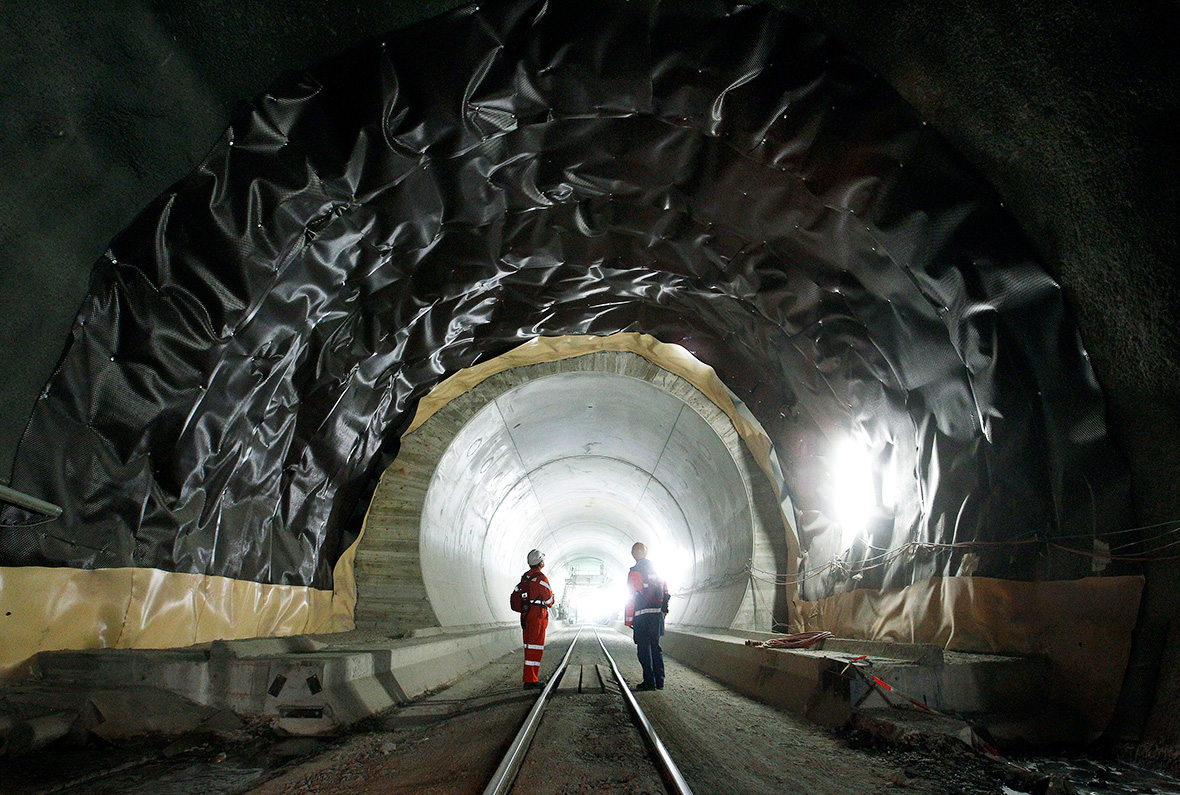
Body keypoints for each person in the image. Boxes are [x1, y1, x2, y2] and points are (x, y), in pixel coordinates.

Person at [625, 542, 670, 691]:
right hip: (656, 617)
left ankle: (649, 682)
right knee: (656, 648)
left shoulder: (634, 572)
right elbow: (665, 593)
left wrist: (629, 619)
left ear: (633, 555)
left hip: (641, 618)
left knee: (644, 650)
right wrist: (662, 614)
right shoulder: (658, 570)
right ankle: (660, 681)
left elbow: (631, 597)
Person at [513, 548, 554, 689]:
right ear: (540, 562)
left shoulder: (525, 577)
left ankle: (530, 678)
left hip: (525, 615)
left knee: (528, 646)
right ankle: (530, 680)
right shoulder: (541, 579)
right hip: (537, 616)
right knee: (535, 648)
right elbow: (549, 600)